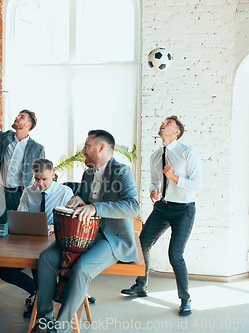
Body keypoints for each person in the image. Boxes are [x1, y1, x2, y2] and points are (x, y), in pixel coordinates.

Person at [31, 130, 140, 333]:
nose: (83, 151)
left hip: (111, 239)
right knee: (45, 258)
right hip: (83, 235)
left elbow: (133, 206)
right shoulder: (88, 172)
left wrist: (96, 208)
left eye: (87, 146)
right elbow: (84, 196)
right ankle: (44, 319)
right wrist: (79, 199)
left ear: (101, 148)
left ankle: (60, 327)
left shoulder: (122, 171)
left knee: (81, 269)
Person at [121, 116, 201, 316]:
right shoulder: (156, 156)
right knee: (142, 244)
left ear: (176, 132)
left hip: (184, 210)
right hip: (162, 208)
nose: (163, 124)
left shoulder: (188, 153)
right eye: (163, 121)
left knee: (175, 255)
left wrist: (174, 178)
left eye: (169, 123)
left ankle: (185, 299)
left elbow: (197, 185)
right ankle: (141, 286)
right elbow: (154, 181)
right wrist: (154, 190)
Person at [0, 84, 45, 282]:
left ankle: (20, 265)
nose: (17, 118)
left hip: (21, 194)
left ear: (29, 125)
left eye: (21, 117)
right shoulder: (6, 137)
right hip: (0, 191)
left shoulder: (37, 148)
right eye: (17, 115)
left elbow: (43, 169)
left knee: (19, 231)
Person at [0, 158, 73, 318]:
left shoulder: (65, 192)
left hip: (53, 243)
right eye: (37, 179)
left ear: (53, 174)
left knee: (40, 262)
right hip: (30, 242)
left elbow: (69, 222)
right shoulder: (28, 192)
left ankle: (40, 304)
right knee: (4, 271)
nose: (40, 184)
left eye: (44, 179)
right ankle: (38, 292)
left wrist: (54, 227)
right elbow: (20, 218)